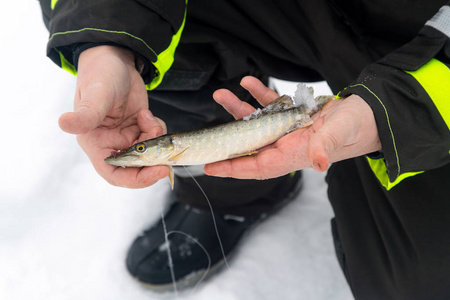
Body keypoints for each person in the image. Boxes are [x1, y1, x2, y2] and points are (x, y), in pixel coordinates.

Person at [39, 0, 450, 299]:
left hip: (433, 62)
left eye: (141, 150)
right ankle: (236, 195)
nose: (137, 151)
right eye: (143, 150)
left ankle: (372, 185)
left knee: (416, 285)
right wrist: (108, 42)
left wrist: (392, 112)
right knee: (138, 28)